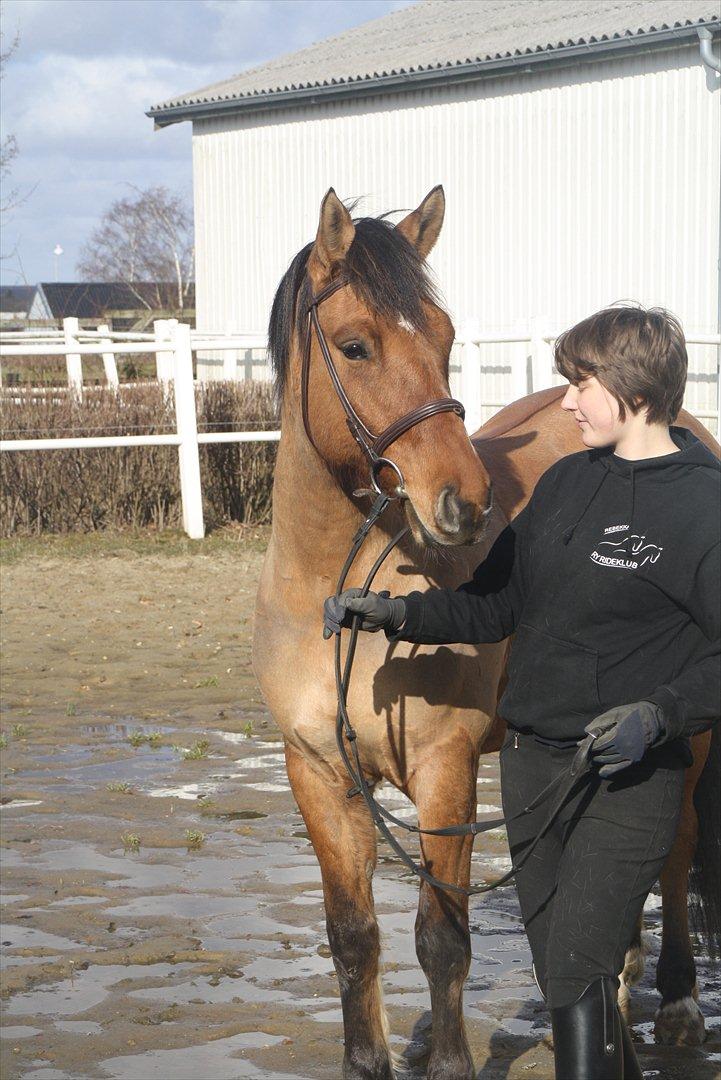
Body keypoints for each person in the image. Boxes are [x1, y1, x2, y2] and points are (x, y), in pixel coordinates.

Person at [323, 304, 721, 1080]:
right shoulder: (568, 482)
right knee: (569, 984)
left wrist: (659, 715)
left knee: (575, 967)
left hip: (627, 776)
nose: (565, 401)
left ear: (631, 388)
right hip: (535, 771)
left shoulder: (703, 503)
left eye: (579, 383)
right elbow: (496, 603)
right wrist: (398, 614)